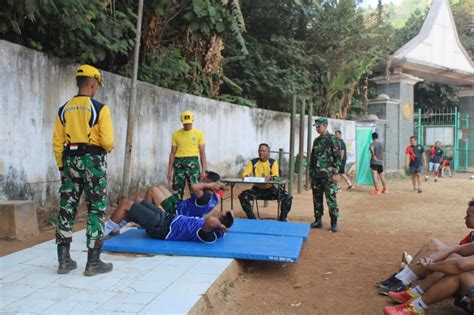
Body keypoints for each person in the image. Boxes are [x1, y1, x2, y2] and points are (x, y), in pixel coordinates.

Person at [52, 64, 114, 276]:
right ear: (93, 83)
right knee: (96, 209)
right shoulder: (100, 108)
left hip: (70, 162)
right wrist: (107, 148)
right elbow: (107, 141)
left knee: (66, 208)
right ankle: (93, 262)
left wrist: (62, 167)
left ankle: (64, 261)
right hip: (93, 162)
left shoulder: (64, 109)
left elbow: (57, 143)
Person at [378, 200, 474, 307]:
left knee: (451, 261)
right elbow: (456, 249)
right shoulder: (472, 235)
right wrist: (432, 259)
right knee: (434, 244)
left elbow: (460, 264)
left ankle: (412, 291)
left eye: (468, 215)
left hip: (465, 280)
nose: (465, 218)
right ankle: (401, 279)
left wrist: (431, 265)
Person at [105, 198, 233, 244]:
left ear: (218, 224)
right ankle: (115, 229)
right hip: (167, 218)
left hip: (163, 228)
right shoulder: (215, 230)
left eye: (219, 215)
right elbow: (213, 221)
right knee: (138, 200)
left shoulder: (209, 235)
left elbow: (211, 221)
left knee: (126, 204)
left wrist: (220, 225)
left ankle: (102, 233)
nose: (217, 212)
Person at [238, 143, 292, 221]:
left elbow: (278, 178)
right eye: (260, 151)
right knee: (242, 196)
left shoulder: (273, 162)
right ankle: (252, 219)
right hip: (256, 190)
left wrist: (271, 177)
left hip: (270, 190)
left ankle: (282, 218)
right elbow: (244, 174)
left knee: (287, 196)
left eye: (263, 151)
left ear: (268, 152)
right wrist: (247, 176)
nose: (261, 153)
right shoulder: (253, 162)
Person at [309, 118, 341, 232]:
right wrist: (311, 173)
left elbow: (338, 158)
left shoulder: (332, 139)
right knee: (317, 198)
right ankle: (318, 220)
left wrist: (336, 173)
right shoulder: (316, 141)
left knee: (331, 198)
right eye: (316, 126)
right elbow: (312, 158)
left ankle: (334, 222)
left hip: (329, 176)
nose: (317, 128)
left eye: (319, 126)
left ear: (325, 126)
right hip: (316, 175)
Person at [167, 111, 207, 201]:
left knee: (195, 189)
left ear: (192, 121)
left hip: (193, 164)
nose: (187, 125)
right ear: (182, 122)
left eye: (189, 123)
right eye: (185, 124)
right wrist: (169, 171)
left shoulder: (199, 134)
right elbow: (172, 153)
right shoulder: (176, 134)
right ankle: (177, 212)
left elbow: (202, 153)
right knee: (177, 190)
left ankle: (195, 211)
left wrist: (204, 171)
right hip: (178, 164)